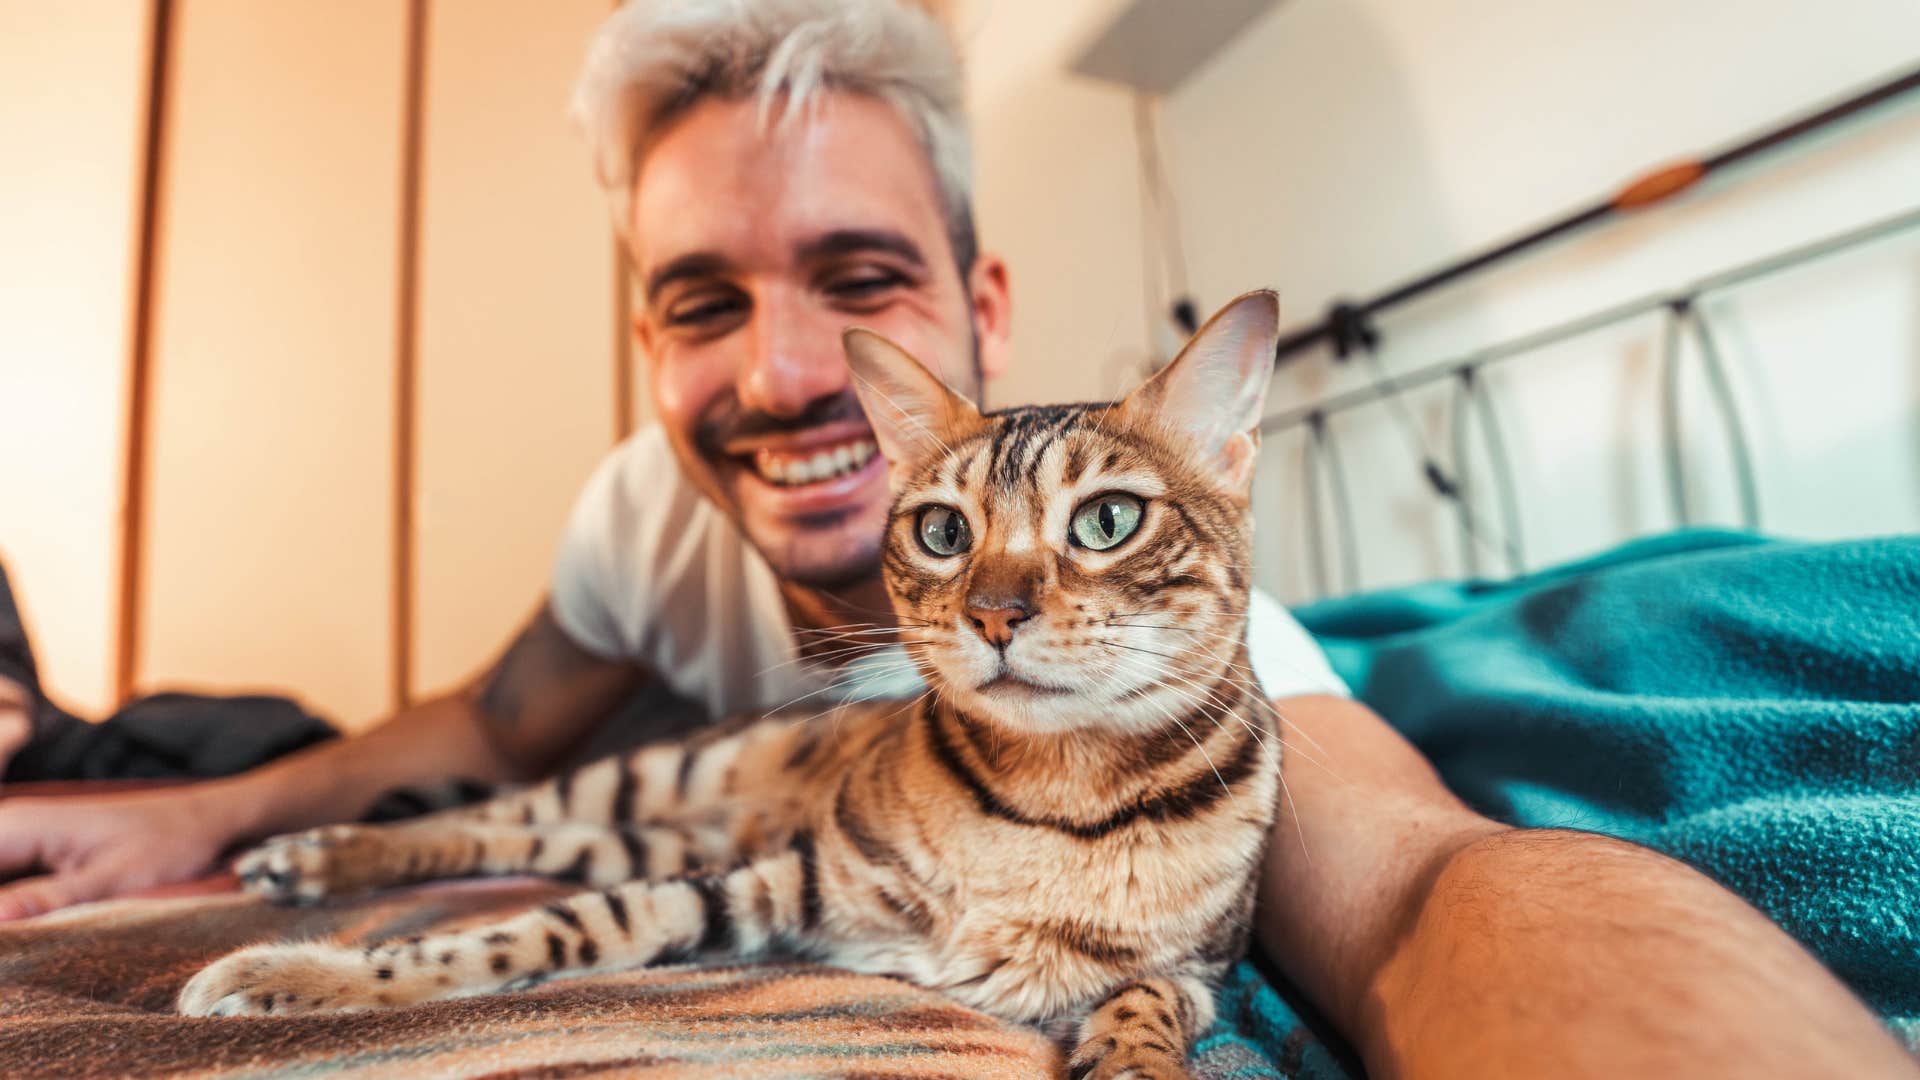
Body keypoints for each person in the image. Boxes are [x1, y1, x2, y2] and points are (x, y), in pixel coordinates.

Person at [0, 1, 1910, 1074]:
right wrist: (191, 822)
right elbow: (490, 730)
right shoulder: (643, 506)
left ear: (982, 308)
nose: (786, 375)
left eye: (860, 278)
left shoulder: (1166, 645)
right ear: (652, 334)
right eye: (698, 300)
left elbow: (1419, 888)